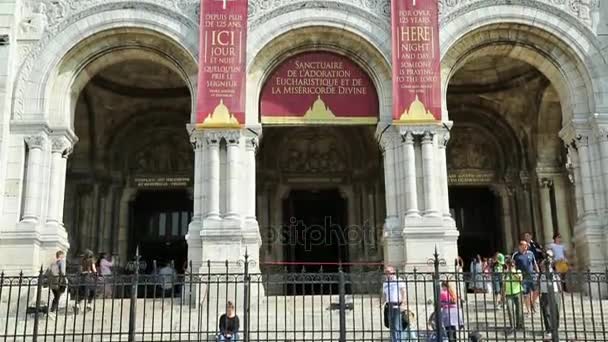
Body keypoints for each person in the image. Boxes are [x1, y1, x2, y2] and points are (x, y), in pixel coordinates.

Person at [382, 266, 413, 341]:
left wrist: (403, 303)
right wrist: (381, 303)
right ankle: (394, 340)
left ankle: (399, 340)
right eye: (386, 273)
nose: (387, 274)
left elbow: (403, 293)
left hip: (397, 305)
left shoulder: (399, 281)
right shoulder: (385, 283)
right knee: (391, 326)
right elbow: (385, 295)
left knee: (397, 325)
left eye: (389, 272)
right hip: (389, 306)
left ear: (393, 272)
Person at [512, 240, 539, 314]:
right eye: (524, 245)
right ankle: (529, 310)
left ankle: (532, 304)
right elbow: (513, 265)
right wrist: (515, 274)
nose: (526, 247)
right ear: (520, 246)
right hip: (522, 276)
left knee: (536, 291)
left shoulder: (530, 253)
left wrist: (538, 272)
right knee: (526, 294)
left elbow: (534, 263)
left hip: (532, 275)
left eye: (526, 246)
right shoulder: (516, 255)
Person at [538, 258, 561, 340]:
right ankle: (549, 330)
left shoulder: (554, 272)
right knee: (546, 312)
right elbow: (539, 285)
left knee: (557, 310)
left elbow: (558, 282)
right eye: (542, 266)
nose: (542, 267)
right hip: (545, 293)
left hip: (555, 292)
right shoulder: (541, 274)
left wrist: (560, 291)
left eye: (543, 265)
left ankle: (555, 328)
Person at [502, 259, 524, 334]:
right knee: (510, 310)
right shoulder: (505, 274)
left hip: (517, 292)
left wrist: (513, 272)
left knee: (519, 310)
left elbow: (520, 279)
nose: (511, 266)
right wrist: (502, 295)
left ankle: (519, 325)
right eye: (509, 265)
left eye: (512, 265)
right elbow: (504, 284)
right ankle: (512, 326)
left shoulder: (518, 271)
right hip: (508, 294)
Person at [74, 249, 97, 314]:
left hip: (82, 278)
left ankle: (77, 305)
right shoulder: (91, 261)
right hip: (89, 278)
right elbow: (94, 269)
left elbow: (80, 270)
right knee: (92, 292)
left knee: (82, 293)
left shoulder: (82, 261)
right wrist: (96, 274)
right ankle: (88, 305)